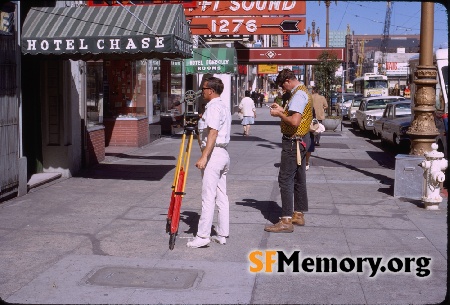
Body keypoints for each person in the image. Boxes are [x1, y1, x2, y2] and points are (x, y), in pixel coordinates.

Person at [265, 68, 313, 233]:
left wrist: (279, 114)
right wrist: (283, 110)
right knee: (299, 178)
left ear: (287, 81)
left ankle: (286, 219)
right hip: (301, 140)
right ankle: (298, 214)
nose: (283, 89)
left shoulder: (298, 94)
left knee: (285, 179)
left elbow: (294, 121)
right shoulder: (302, 91)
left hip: (293, 141)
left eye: (282, 86)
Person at [187, 77, 232, 248]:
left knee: (208, 196)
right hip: (223, 153)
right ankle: (222, 233)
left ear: (211, 90)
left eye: (204, 88)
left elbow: (212, 133)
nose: (202, 91)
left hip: (214, 154)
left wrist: (204, 156)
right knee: (221, 195)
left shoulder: (213, 107)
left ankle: (203, 235)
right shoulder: (222, 106)